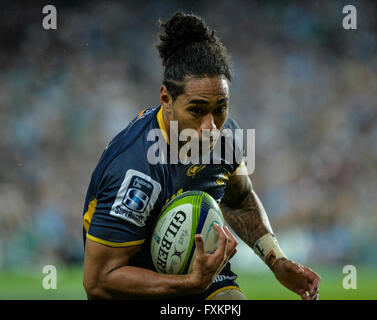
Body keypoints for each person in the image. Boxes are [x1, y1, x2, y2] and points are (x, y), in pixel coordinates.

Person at [82, 12, 321, 300]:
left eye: (220, 108)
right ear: (166, 99)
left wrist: (277, 260)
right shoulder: (136, 170)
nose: (211, 127)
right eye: (196, 110)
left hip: (201, 271)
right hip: (136, 283)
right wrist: (188, 285)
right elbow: (99, 282)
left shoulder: (227, 136)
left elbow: (239, 200)